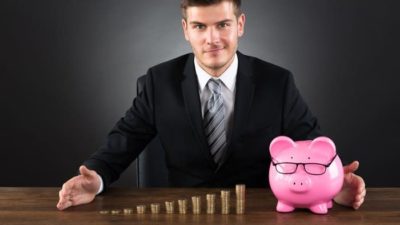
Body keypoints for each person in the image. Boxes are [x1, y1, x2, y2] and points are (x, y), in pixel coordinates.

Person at [57, 0, 366, 211]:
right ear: (186, 29)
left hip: (260, 214)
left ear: (240, 24)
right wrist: (95, 180)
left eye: (223, 24)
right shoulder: (158, 81)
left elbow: (314, 148)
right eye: (200, 27)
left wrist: (333, 187)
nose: (212, 38)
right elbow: (122, 143)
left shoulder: (278, 82)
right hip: (184, 214)